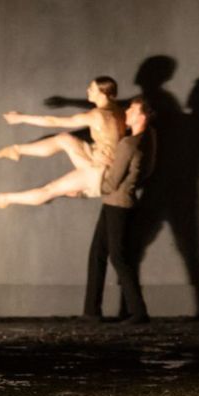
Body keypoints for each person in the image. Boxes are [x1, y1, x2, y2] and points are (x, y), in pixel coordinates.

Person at [0, 76, 127, 208]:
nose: (88, 90)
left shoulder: (96, 116)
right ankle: (16, 150)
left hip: (99, 172)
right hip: (98, 157)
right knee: (64, 139)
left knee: (49, 190)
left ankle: (3, 199)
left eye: (92, 88)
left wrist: (21, 118)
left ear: (102, 94)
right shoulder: (118, 111)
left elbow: (53, 121)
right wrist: (66, 101)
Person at [83, 96, 158, 323]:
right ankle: (91, 312)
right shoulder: (149, 137)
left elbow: (112, 181)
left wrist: (85, 189)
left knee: (117, 256)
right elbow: (144, 172)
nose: (126, 113)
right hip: (119, 202)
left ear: (141, 116)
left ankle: (138, 312)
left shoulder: (128, 144)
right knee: (99, 254)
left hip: (117, 203)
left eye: (131, 110)